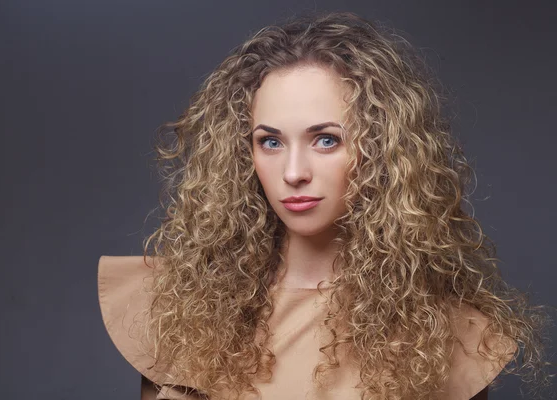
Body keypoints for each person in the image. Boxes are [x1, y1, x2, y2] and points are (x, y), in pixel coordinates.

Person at [97, 11, 554, 400]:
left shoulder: (447, 337)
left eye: (326, 139)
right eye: (271, 141)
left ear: (380, 147)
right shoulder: (184, 309)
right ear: (243, 153)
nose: (294, 170)